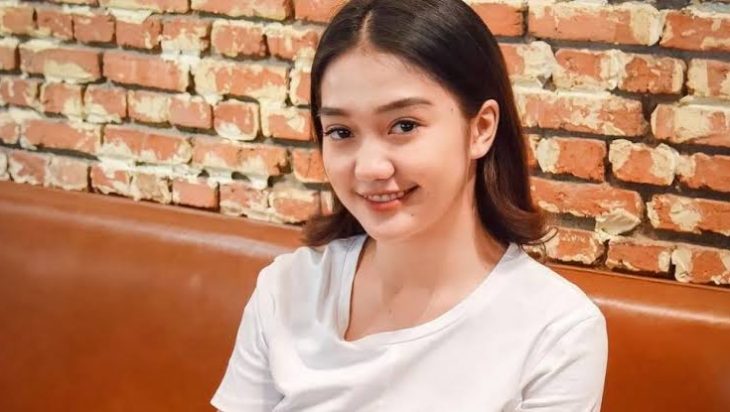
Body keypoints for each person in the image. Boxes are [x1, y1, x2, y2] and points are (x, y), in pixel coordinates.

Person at [211, 0, 608, 410]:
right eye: (341, 131)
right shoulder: (287, 289)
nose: (369, 167)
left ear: (481, 128)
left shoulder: (556, 330)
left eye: (404, 126)